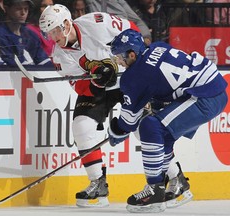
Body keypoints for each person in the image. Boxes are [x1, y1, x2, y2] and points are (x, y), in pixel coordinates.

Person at [107, 29, 228, 213]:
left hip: (204, 95)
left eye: (120, 57)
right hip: (212, 86)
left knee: (149, 125)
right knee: (163, 136)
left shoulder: (133, 77)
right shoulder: (157, 47)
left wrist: (115, 131)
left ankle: (155, 190)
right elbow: (163, 81)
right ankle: (177, 184)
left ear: (132, 54)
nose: (118, 61)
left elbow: (128, 123)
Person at [39, 3, 143, 208]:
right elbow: (79, 86)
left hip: (128, 78)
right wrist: (98, 80)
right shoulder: (59, 56)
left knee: (144, 125)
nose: (53, 37)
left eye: (55, 31)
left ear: (67, 23)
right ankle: (98, 184)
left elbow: (133, 30)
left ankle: (173, 177)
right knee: (81, 126)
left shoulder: (96, 22)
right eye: (49, 33)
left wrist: (125, 62)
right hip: (101, 88)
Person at [0, 0, 52, 66]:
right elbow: (11, 66)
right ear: (6, 9)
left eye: (26, 9)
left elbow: (44, 62)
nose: (23, 13)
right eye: (18, 9)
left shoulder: (31, 35)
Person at [85, 0, 152, 45]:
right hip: (101, 46)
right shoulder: (88, 3)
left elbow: (137, 21)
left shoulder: (118, 1)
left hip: (127, 43)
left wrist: (145, 37)